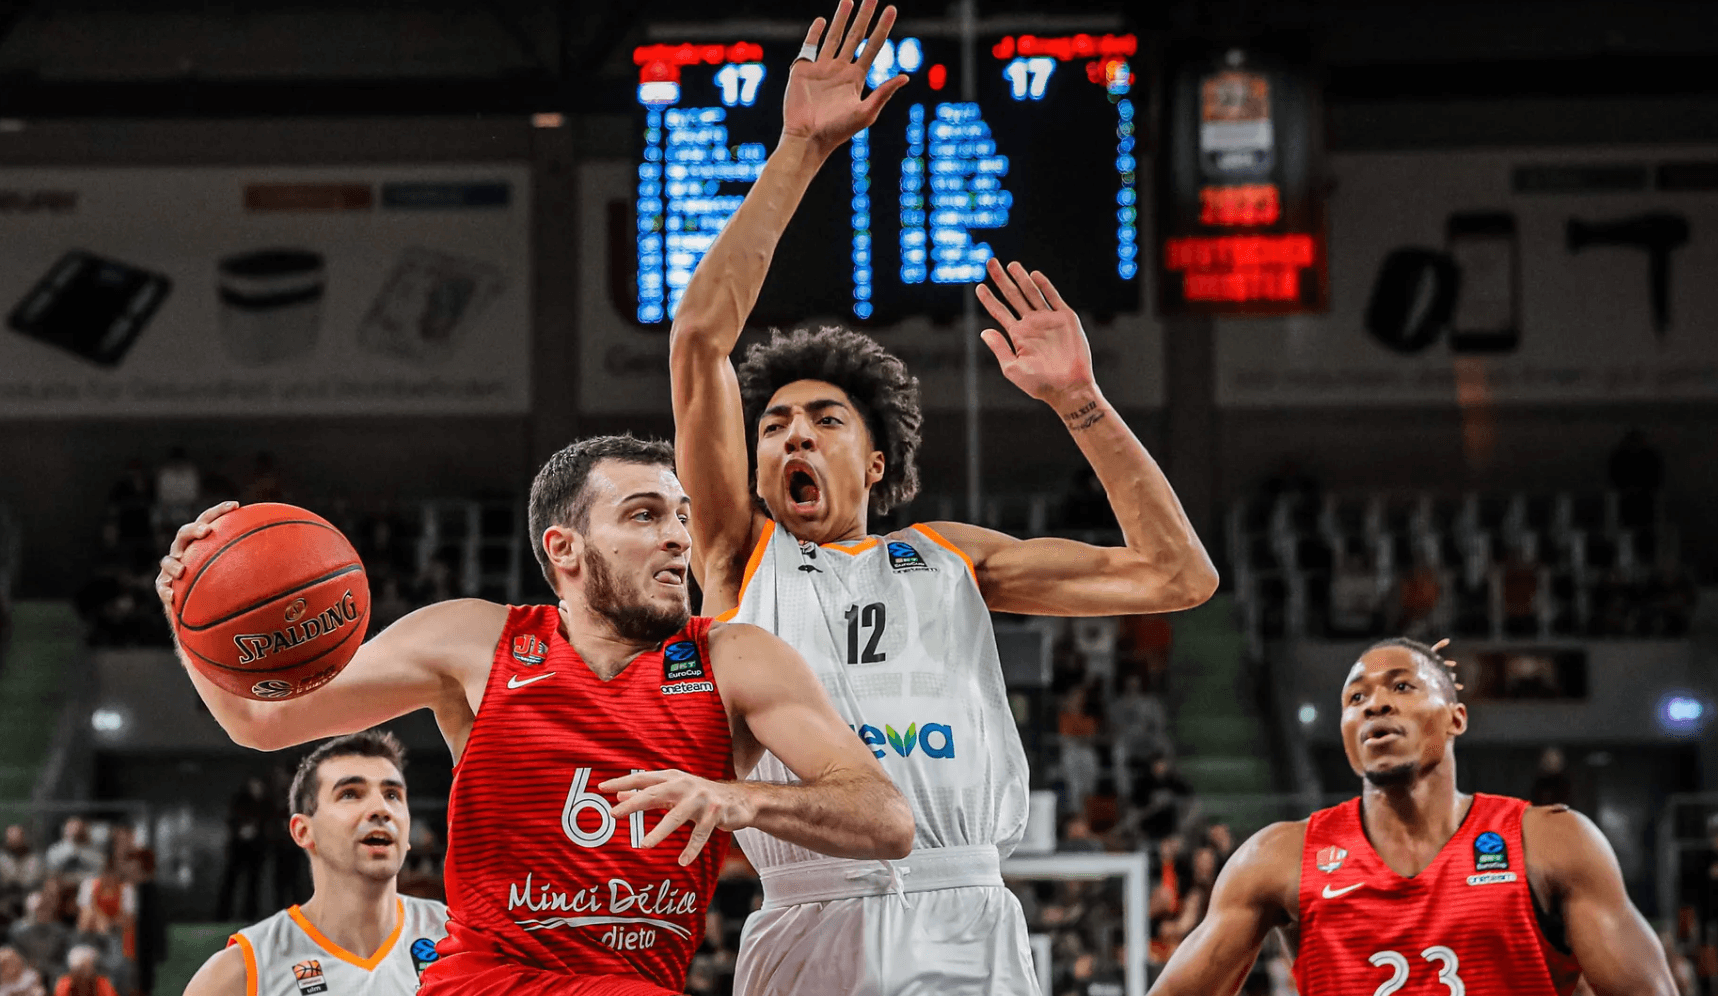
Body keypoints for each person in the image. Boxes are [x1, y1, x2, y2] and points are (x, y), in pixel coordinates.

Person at [665, 3, 1217, 992]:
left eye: (825, 420)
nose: (793, 431)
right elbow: (700, 339)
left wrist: (1082, 405)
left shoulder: (949, 555)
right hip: (808, 909)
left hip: (965, 910)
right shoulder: (733, 555)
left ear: (875, 463)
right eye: (775, 422)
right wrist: (797, 149)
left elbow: (1176, 575)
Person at [157, 434, 913, 996]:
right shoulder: (476, 641)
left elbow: (886, 820)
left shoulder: (736, 659)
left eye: (680, 516)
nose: (678, 536)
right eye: (645, 515)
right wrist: (186, 612)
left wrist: (739, 798)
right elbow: (264, 724)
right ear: (566, 548)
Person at [1145, 637, 1678, 996]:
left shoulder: (1552, 842)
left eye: (1402, 686)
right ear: (1346, 733)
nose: (1375, 705)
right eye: (1356, 697)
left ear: (1455, 719)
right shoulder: (1276, 858)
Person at [184, 731, 448, 996]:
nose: (382, 809)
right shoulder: (242, 971)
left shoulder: (457, 938)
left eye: (392, 795)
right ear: (303, 831)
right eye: (350, 794)